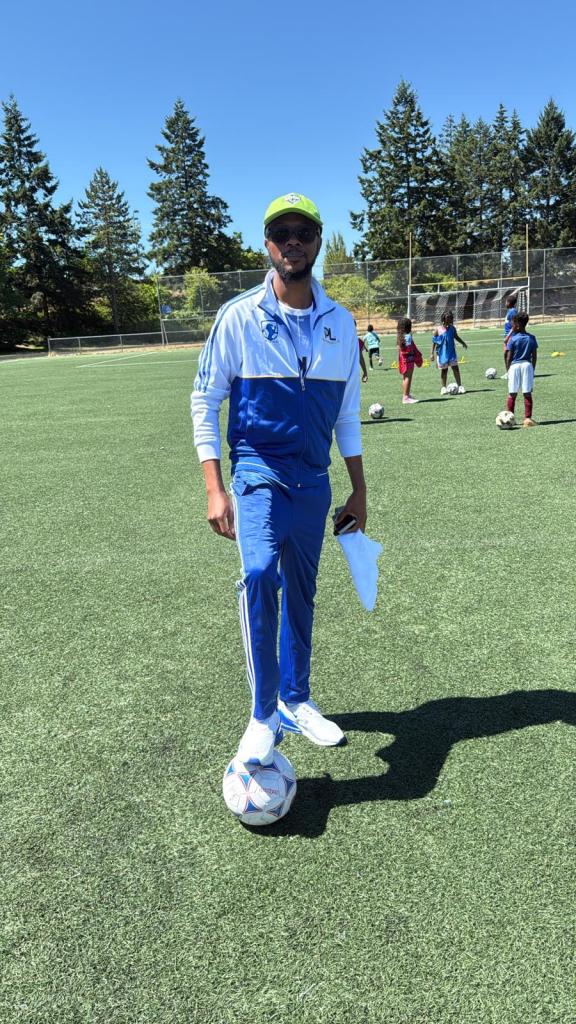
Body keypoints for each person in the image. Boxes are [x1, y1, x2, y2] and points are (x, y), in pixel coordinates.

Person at [191, 193, 367, 766]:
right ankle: (263, 714)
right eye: (281, 233)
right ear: (267, 243)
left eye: (304, 232)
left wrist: (359, 487)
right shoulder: (238, 316)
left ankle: (296, 699)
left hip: (314, 479)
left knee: (303, 592)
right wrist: (215, 487)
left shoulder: (341, 323)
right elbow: (204, 400)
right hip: (258, 472)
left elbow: (346, 414)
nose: (293, 241)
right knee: (260, 574)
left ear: (318, 241)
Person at [504, 311, 537, 426]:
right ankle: (527, 419)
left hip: (514, 366)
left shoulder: (513, 339)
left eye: (513, 324)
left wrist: (508, 370)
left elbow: (509, 357)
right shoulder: (532, 338)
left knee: (512, 393)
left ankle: (510, 419)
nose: (512, 327)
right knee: (527, 393)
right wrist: (532, 369)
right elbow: (534, 356)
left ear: (517, 325)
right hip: (527, 365)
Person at [431, 310, 468, 394]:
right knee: (444, 370)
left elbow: (456, 337)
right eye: (448, 318)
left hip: (451, 353)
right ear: (443, 318)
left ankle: (460, 386)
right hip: (442, 354)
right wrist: (431, 354)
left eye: (451, 318)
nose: (450, 319)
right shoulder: (438, 330)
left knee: (455, 368)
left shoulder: (452, 328)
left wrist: (463, 343)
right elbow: (434, 342)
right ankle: (443, 388)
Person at [396, 316, 421, 404]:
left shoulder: (400, 336)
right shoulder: (408, 337)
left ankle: (406, 394)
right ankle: (406, 397)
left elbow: (400, 350)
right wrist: (416, 356)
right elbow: (409, 349)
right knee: (408, 378)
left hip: (403, 361)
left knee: (405, 378)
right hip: (409, 360)